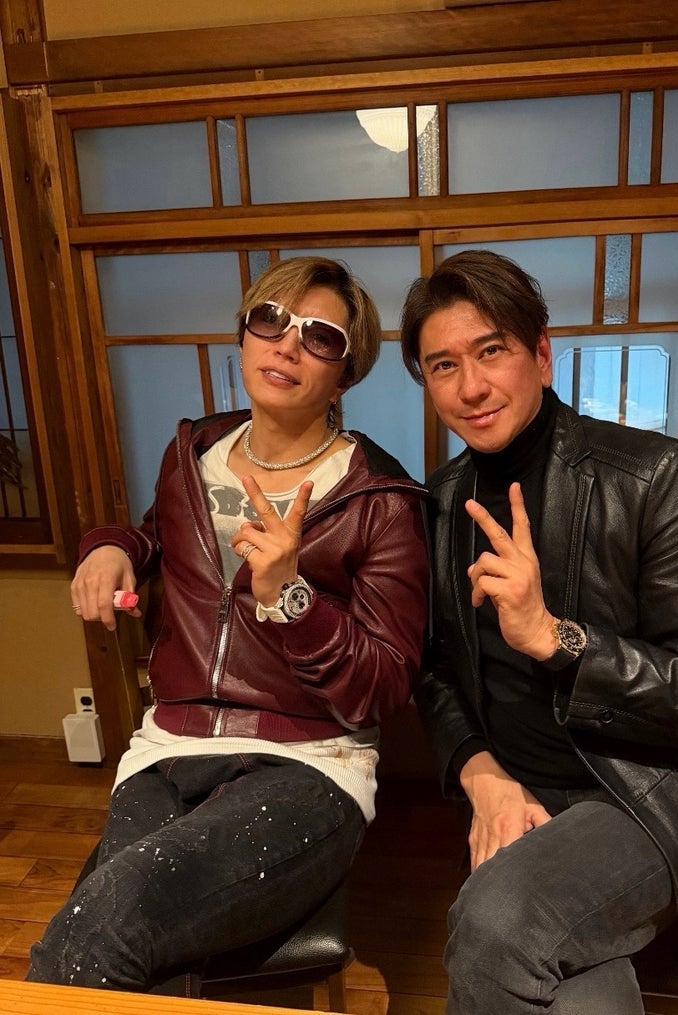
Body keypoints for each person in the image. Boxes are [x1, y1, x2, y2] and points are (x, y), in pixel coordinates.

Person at [399, 248, 678, 1015]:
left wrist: (558, 637)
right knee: (558, 979)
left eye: (491, 351)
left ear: (541, 354)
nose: (470, 386)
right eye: (443, 365)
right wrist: (480, 772)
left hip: (653, 799)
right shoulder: (440, 503)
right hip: (520, 794)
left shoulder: (658, 477)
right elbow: (435, 669)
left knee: (496, 923)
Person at [27, 255, 429, 994]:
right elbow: (160, 535)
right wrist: (113, 545)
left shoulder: (380, 498)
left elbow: (382, 685)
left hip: (307, 763)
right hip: (166, 749)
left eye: (320, 337)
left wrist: (290, 595)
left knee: (99, 931)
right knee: (122, 946)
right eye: (271, 320)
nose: (287, 344)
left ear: (345, 373)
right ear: (244, 335)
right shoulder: (193, 454)